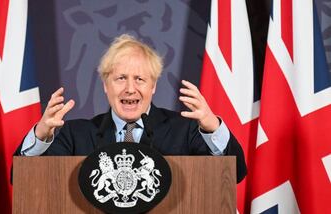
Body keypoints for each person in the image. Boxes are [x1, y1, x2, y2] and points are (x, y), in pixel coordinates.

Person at [14, 34, 246, 182]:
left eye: (140, 79)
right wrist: (40, 137)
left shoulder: (186, 130)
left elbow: (235, 173)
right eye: (121, 78)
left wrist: (213, 128)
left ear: (153, 86)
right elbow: (23, 179)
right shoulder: (74, 135)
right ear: (106, 85)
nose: (130, 88)